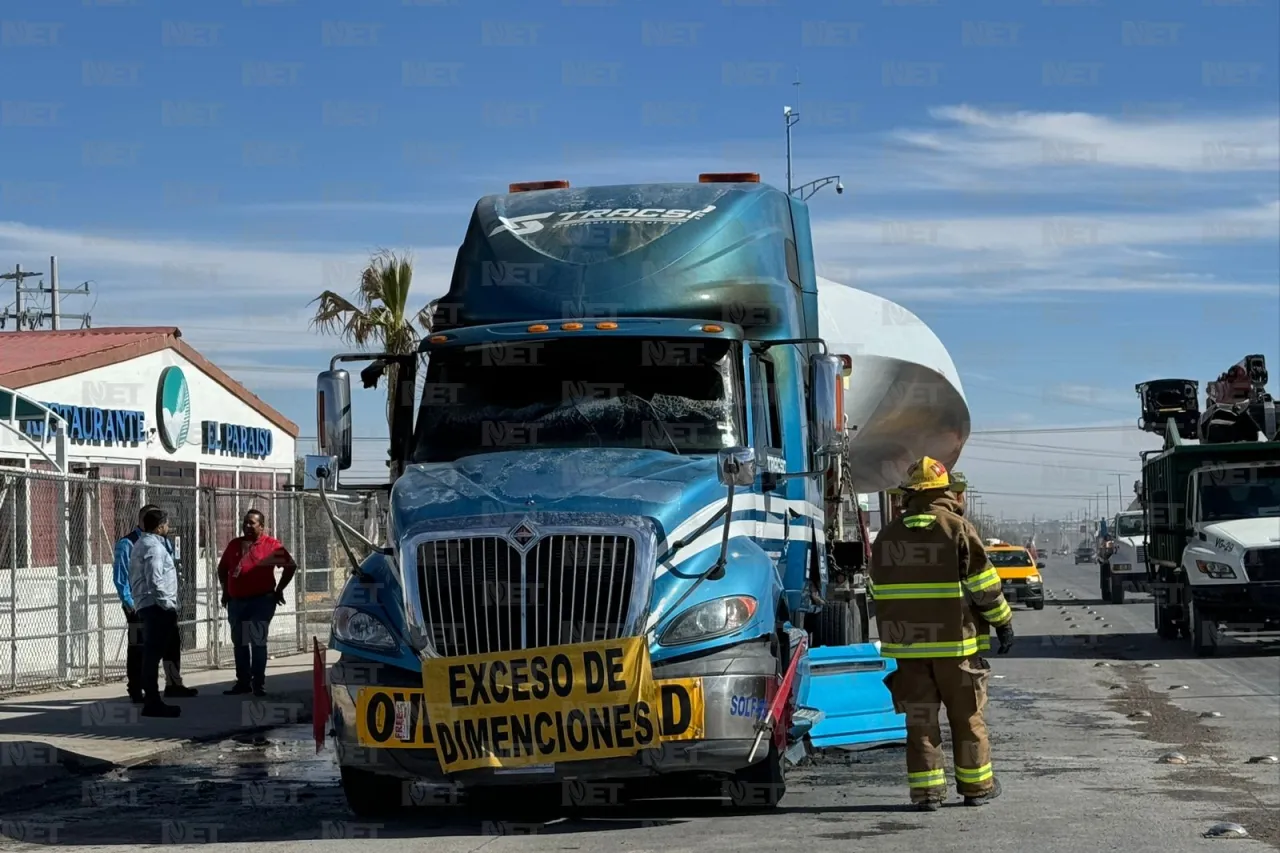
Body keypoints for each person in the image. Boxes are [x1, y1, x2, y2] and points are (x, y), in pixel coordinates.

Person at [869, 456, 1015, 811]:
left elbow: (878, 592)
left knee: (920, 720)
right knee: (966, 718)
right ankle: (977, 788)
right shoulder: (957, 528)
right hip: (956, 648)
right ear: (944, 491)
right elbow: (984, 586)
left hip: (908, 650)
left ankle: (927, 794)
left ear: (908, 494)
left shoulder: (887, 536)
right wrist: (1003, 623)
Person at [113, 504, 196, 703]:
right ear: (145, 521)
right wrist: (129, 603)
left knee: (171, 643)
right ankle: (136, 688)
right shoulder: (128, 543)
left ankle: (173, 683)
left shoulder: (160, 542)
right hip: (140, 605)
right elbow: (121, 577)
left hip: (161, 603)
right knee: (138, 647)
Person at [217, 509, 297, 697]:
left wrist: (279, 589)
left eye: (252, 523)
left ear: (261, 526)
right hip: (237, 602)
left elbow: (290, 566)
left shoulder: (270, 546)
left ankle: (258, 683)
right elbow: (222, 569)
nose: (247, 526)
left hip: (261, 601)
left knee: (257, 641)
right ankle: (243, 682)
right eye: (245, 522)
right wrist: (225, 590)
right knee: (240, 642)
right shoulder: (235, 545)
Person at [129, 507, 184, 718]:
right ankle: (152, 700)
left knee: (153, 652)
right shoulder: (154, 547)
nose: (168, 527)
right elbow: (154, 579)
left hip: (148, 604)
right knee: (152, 654)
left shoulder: (141, 543)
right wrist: (166, 604)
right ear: (160, 526)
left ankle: (155, 696)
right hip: (156, 606)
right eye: (167, 524)